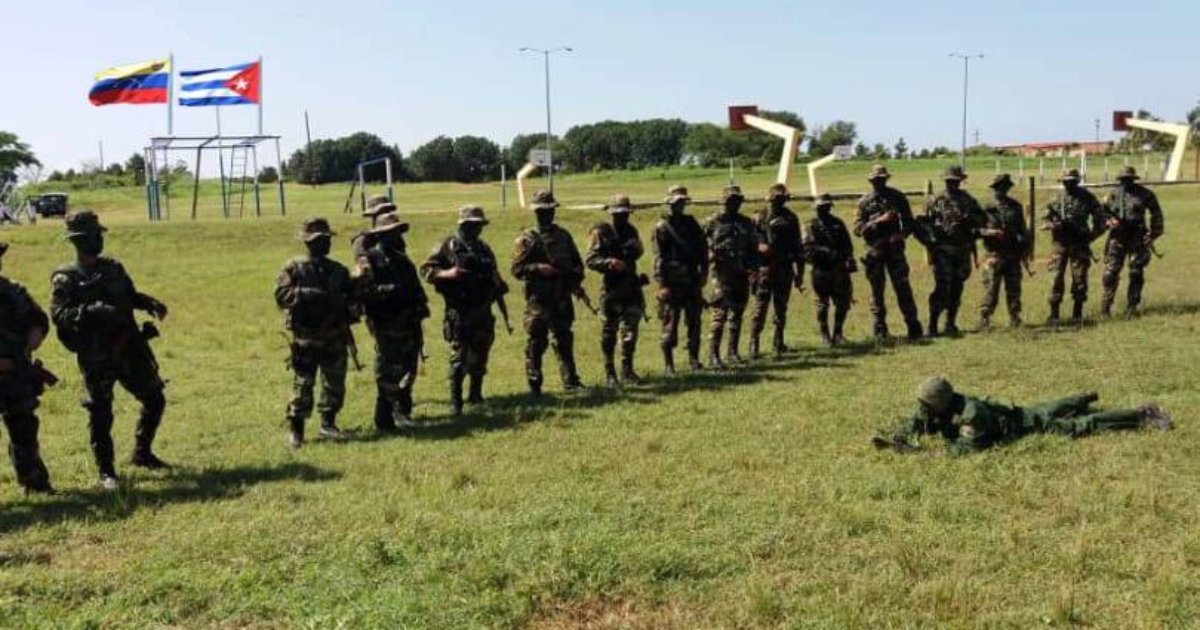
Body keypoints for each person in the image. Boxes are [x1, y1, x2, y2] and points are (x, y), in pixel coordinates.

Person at [51, 211, 170, 489]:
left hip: (129, 347)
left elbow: (129, 296)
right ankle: (107, 472)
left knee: (155, 398)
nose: (99, 240)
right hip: (96, 355)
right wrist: (90, 311)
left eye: (100, 235)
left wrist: (148, 302)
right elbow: (59, 315)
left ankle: (143, 453)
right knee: (101, 412)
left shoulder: (113, 268)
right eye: (94, 236)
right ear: (79, 241)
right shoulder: (65, 278)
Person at [874, 376, 1172, 456]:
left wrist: (921, 453)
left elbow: (967, 449)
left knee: (1076, 427)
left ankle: (1142, 413)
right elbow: (916, 420)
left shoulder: (971, 416)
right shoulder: (933, 403)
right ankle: (1080, 399)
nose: (922, 408)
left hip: (1021, 425)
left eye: (926, 404)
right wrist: (899, 436)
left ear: (941, 401)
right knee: (1043, 408)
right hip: (1017, 412)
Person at [274, 217, 355, 448]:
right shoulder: (293, 268)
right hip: (306, 337)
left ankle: (328, 424)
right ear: (307, 242)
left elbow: (352, 300)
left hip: (334, 336)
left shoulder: (338, 270)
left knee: (335, 383)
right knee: (302, 386)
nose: (324, 243)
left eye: (327, 239)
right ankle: (296, 431)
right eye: (319, 240)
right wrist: (311, 294)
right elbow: (282, 296)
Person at [421, 205, 509, 415]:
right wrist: (448, 274)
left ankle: (476, 395)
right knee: (459, 358)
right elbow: (426, 270)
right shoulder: (447, 245)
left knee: (481, 356)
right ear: (463, 224)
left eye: (479, 226)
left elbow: (495, 276)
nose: (476, 229)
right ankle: (456, 402)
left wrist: (498, 292)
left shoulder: (484, 248)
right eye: (472, 225)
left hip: (483, 309)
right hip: (459, 311)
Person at [511, 190, 586, 396]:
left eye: (550, 210)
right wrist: (537, 268)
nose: (547, 214)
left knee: (564, 340)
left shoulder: (563, 236)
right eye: (543, 211)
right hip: (539, 299)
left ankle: (571, 380)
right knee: (537, 342)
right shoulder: (526, 239)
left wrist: (575, 281)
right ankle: (535, 384)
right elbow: (517, 270)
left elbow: (577, 264)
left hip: (561, 296)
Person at [360, 212, 430, 431]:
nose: (395, 236)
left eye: (397, 232)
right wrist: (389, 291)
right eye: (390, 233)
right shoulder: (369, 259)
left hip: (408, 322)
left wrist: (419, 306)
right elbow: (362, 291)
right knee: (387, 369)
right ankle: (384, 416)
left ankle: (402, 409)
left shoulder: (403, 260)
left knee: (409, 367)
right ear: (380, 235)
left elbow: (417, 289)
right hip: (385, 323)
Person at [0, 242, 55, 494]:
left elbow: (40, 319)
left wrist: (37, 331)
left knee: (24, 428)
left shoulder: (13, 291)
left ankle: (33, 481)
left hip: (15, 378)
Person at [854, 165, 923, 340]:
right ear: (871, 181)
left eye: (882, 180)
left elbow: (909, 222)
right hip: (874, 252)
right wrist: (878, 221)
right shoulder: (864, 202)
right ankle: (879, 329)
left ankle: (913, 326)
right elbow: (857, 229)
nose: (879, 183)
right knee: (876, 292)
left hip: (895, 251)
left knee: (903, 289)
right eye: (876, 180)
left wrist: (901, 234)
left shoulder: (897, 197)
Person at [586, 194, 648, 387]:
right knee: (609, 333)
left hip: (631, 288)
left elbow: (638, 252)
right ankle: (610, 373)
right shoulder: (601, 232)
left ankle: (627, 371)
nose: (622, 217)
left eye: (625, 213)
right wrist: (609, 263)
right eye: (618, 214)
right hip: (611, 290)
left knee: (630, 332)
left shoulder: (632, 231)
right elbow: (590, 260)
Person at [921, 165, 985, 336]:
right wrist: (932, 241)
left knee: (957, 287)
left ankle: (950, 323)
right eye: (950, 181)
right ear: (945, 181)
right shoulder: (934, 200)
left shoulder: (968, 200)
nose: (953, 184)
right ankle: (932, 325)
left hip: (962, 250)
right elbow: (922, 225)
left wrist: (968, 222)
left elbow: (982, 221)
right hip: (943, 252)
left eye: (956, 181)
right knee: (941, 288)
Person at [653, 185, 708, 375]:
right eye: (676, 202)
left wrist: (704, 272)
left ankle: (694, 359)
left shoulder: (692, 223)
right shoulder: (662, 227)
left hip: (692, 280)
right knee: (670, 323)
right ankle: (669, 365)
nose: (679, 206)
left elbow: (702, 249)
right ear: (669, 203)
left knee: (694, 322)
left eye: (682, 202)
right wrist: (662, 285)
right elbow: (659, 258)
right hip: (672, 282)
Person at [704, 185, 759, 368]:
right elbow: (699, 245)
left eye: (737, 201)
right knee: (719, 314)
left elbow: (753, 248)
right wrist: (708, 254)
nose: (734, 204)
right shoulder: (712, 221)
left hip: (741, 273)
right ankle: (713, 355)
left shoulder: (746, 222)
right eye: (730, 201)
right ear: (723, 202)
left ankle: (733, 352)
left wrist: (754, 269)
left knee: (737, 313)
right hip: (721, 274)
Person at [1042, 168, 1107, 325]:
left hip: (1079, 244)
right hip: (1060, 244)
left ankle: (1077, 314)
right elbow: (1044, 219)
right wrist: (1053, 225)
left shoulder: (1087, 197)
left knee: (1079, 279)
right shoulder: (1056, 198)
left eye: (1072, 182)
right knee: (1056, 278)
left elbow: (1100, 221)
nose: (1068, 184)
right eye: (1066, 182)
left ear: (1077, 181)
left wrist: (1090, 237)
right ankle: (1054, 314)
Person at [748, 183, 804, 358]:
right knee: (760, 307)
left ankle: (778, 342)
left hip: (785, 268)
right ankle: (753, 343)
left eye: (782, 199)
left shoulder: (791, 218)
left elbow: (798, 247)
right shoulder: (760, 217)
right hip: (765, 269)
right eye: (776, 199)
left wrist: (799, 273)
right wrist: (759, 246)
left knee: (781, 308)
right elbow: (748, 242)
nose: (779, 202)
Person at [1101, 166, 1164, 318]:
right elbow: (1100, 213)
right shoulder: (1112, 195)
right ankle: (1105, 309)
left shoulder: (1145, 194)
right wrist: (1109, 221)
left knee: (1136, 271)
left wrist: (1154, 234)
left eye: (1129, 179)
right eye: (1123, 179)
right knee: (1110, 273)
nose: (1126, 182)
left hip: (1137, 236)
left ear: (1134, 179)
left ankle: (1132, 307)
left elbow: (1156, 213)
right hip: (1117, 237)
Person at [977, 174, 1030, 329]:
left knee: (1014, 289)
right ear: (994, 189)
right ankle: (985, 318)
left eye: (1004, 188)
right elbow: (977, 230)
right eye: (998, 188)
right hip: (993, 256)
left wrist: (1025, 248)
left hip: (1012, 254)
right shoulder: (986, 208)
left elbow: (1022, 230)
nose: (1001, 191)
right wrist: (990, 233)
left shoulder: (1016, 207)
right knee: (991, 289)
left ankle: (1015, 317)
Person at [803, 194, 856, 345]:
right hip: (821, 270)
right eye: (821, 207)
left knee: (843, 303)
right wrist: (826, 253)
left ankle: (838, 333)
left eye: (826, 207)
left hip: (839, 269)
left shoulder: (838, 223)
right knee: (822, 303)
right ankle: (825, 335)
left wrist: (848, 258)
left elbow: (848, 245)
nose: (824, 210)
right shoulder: (810, 226)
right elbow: (807, 249)